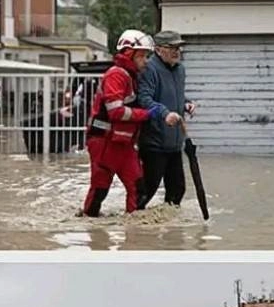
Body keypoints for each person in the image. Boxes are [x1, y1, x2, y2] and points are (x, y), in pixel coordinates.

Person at [80, 30, 179, 217]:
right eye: (141, 55)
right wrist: (148, 114)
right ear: (128, 54)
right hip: (105, 143)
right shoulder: (116, 75)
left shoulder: (131, 76)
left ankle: (134, 235)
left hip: (122, 144)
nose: (146, 60)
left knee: (139, 189)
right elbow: (116, 111)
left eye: (146, 55)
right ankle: (93, 232)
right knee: (100, 189)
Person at [137, 30, 195, 208]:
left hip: (175, 142)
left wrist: (186, 104)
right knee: (148, 190)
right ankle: (132, 225)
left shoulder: (180, 70)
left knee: (178, 190)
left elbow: (174, 96)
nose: (177, 51)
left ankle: (169, 231)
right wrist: (164, 113)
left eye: (179, 47)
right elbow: (144, 99)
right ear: (158, 49)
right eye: (172, 47)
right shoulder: (149, 69)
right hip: (154, 142)